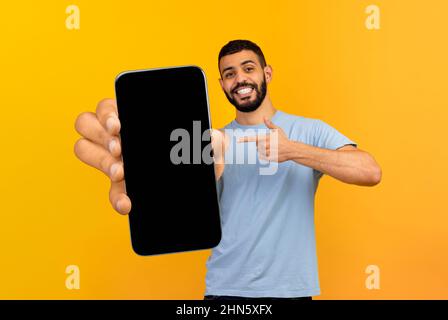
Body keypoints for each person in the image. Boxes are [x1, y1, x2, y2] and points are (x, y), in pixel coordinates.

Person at [74, 40, 382, 300]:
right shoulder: (208, 143)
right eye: (229, 74)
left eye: (249, 68)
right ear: (222, 85)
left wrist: (293, 150)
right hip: (226, 291)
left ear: (267, 73)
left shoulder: (308, 130)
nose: (240, 79)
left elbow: (369, 171)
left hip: (292, 291)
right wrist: (145, 174)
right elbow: (181, 211)